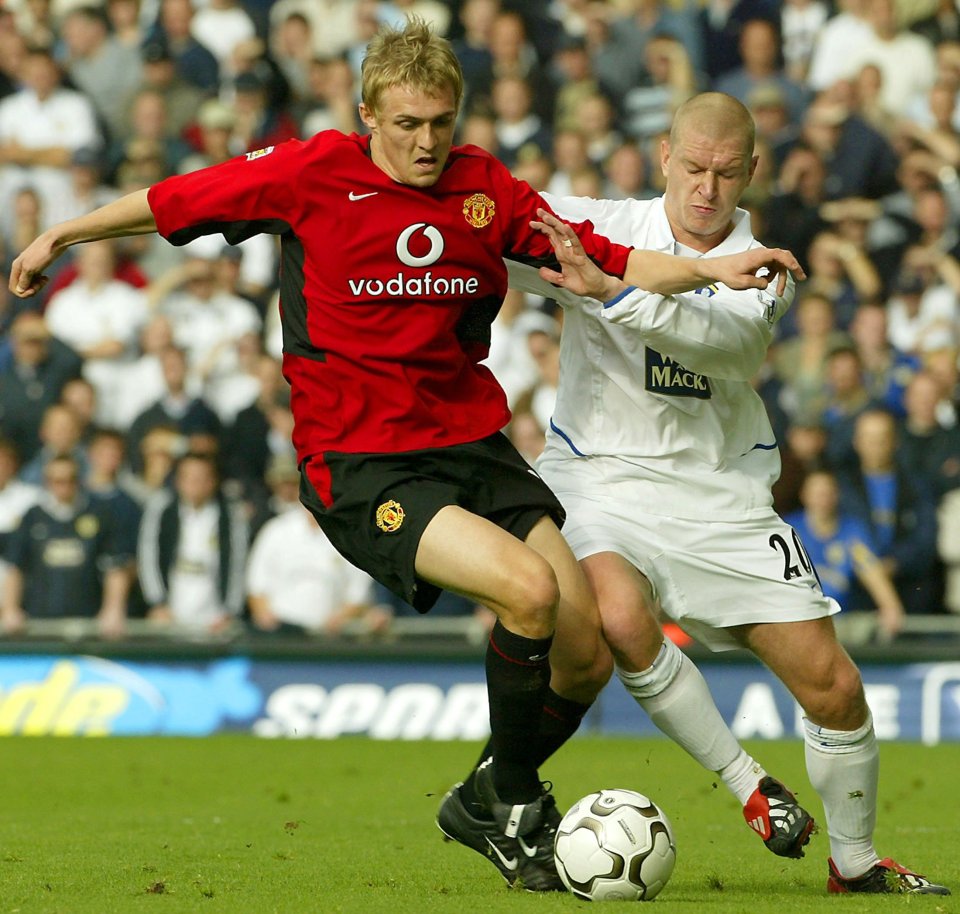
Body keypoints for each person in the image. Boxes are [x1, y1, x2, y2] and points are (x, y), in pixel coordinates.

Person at [7, 21, 801, 893]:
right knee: (530, 594)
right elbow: (172, 199)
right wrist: (61, 237)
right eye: (409, 124)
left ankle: (492, 792)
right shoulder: (305, 173)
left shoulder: (483, 187)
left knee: (586, 651)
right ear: (367, 116)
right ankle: (510, 805)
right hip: (360, 462)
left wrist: (717, 271)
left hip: (469, 443)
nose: (428, 143)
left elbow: (611, 258)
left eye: (442, 123)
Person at [505, 92, 949, 895]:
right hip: (599, 481)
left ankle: (855, 863)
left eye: (725, 172)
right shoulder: (597, 224)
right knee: (618, 615)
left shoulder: (765, 267)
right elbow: (488, 230)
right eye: (694, 167)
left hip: (723, 500)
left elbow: (722, 342)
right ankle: (752, 788)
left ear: (751, 171)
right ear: (665, 154)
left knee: (835, 686)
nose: (706, 188)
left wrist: (607, 290)